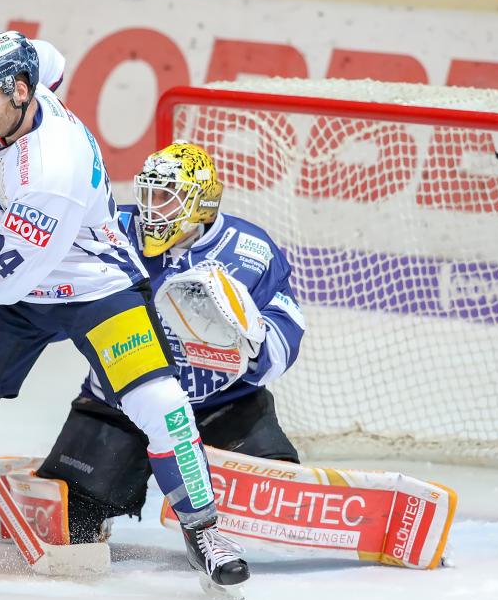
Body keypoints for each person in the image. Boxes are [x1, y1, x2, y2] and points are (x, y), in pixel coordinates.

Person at [0, 31, 248, 594]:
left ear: (20, 92)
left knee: (161, 407)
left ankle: (204, 532)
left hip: (91, 286)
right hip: (21, 288)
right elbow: (53, 59)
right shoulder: (21, 85)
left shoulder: (51, 172)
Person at [36, 142, 307, 544]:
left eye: (166, 197)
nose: (151, 208)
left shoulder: (251, 251)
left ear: (201, 204)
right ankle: (86, 492)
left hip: (223, 405)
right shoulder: (111, 233)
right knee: (71, 524)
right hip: (117, 406)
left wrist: (255, 343)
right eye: (148, 194)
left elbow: (287, 325)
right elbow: (45, 287)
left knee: (276, 493)